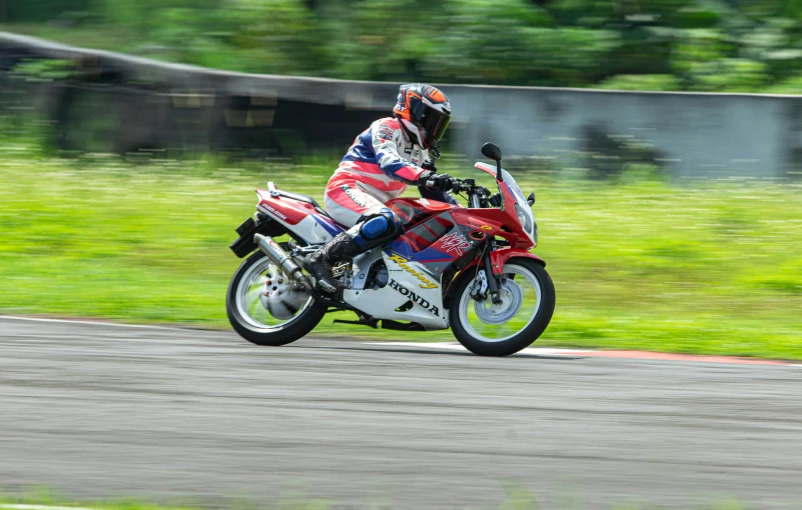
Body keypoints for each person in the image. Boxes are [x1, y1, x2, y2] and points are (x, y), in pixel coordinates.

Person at [304, 83, 456, 293]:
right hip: (347, 188)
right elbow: (390, 163)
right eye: (432, 119)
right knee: (386, 220)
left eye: (440, 123)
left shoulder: (421, 152)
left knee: (415, 223)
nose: (435, 128)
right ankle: (322, 259)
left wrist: (467, 212)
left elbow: (435, 193)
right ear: (414, 111)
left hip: (374, 203)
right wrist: (425, 176)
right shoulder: (387, 127)